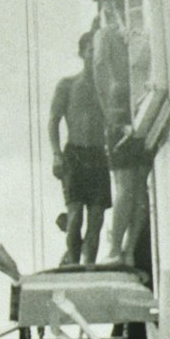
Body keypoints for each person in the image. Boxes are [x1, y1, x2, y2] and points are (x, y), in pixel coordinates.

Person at [92, 0, 150, 268]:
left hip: (118, 115)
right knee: (139, 187)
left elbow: (100, 72)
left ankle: (115, 250)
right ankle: (128, 250)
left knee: (124, 186)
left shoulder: (104, 35)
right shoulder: (134, 34)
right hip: (139, 108)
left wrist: (109, 120)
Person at [48, 34, 111, 266]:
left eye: (97, 50)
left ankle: (89, 265)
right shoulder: (67, 84)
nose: (94, 54)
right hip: (74, 154)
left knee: (97, 217)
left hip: (98, 154)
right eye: (90, 50)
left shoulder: (104, 87)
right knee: (75, 216)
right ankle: (74, 263)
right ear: (82, 52)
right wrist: (56, 155)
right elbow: (53, 120)